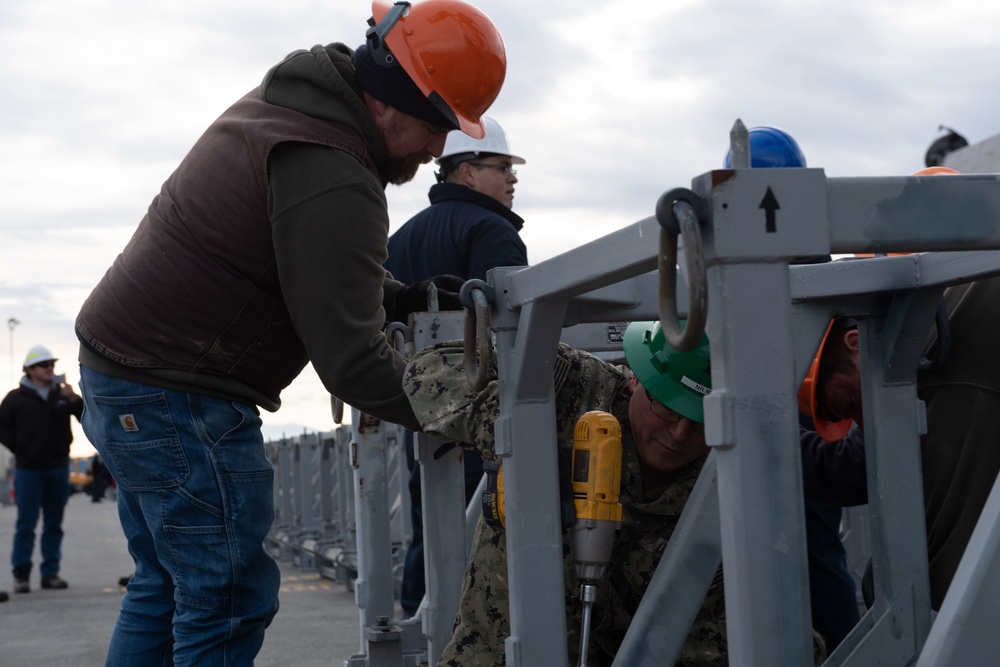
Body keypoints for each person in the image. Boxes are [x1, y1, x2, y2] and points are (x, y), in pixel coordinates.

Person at [73, 1, 507, 663]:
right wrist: (479, 409)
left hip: (126, 373)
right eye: (436, 124)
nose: (438, 148)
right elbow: (354, 365)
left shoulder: (299, 109)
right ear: (395, 98)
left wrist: (402, 298)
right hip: (176, 395)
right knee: (226, 595)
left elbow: (307, 260)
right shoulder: (332, 166)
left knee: (168, 585)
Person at [404, 321, 728, 665]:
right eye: (666, 407)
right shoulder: (577, 386)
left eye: (699, 420)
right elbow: (429, 369)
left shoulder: (728, 479)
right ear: (637, 379)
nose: (679, 434)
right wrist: (523, 439)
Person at [385, 115, 527, 617]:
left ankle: (419, 626)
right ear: (466, 171)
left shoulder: (401, 238)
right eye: (503, 166)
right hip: (483, 414)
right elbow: (517, 331)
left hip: (417, 410)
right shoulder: (491, 230)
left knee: (431, 521)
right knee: (487, 526)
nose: (512, 178)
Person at [726, 125, 860, 650]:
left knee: (803, 546)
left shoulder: (769, 269)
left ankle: (836, 644)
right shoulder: (812, 267)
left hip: (800, 416)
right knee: (809, 547)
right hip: (801, 415)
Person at [0, 345, 82, 594]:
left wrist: (74, 399)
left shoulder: (62, 395)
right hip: (29, 470)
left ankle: (50, 574)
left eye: (51, 365)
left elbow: (85, 417)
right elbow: (2, 428)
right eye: (44, 365)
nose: (50, 369)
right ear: (31, 369)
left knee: (54, 523)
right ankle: (21, 575)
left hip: (58, 467)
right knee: (26, 523)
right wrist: (21, 449)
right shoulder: (15, 398)